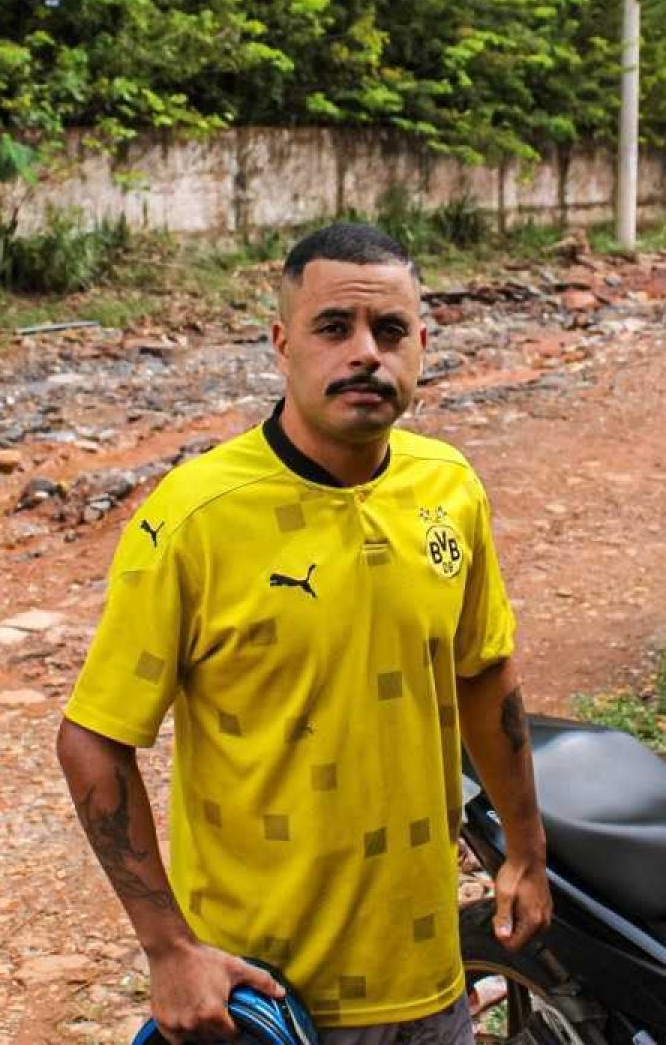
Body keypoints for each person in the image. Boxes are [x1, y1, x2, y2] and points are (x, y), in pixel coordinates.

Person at [56, 221, 550, 1043]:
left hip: (429, 978)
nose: (366, 353)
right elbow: (92, 740)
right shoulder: (194, 519)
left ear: (423, 344)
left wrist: (526, 851)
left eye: (390, 331)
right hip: (262, 996)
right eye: (334, 328)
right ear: (282, 343)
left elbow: (484, 676)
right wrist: (167, 947)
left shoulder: (449, 489)